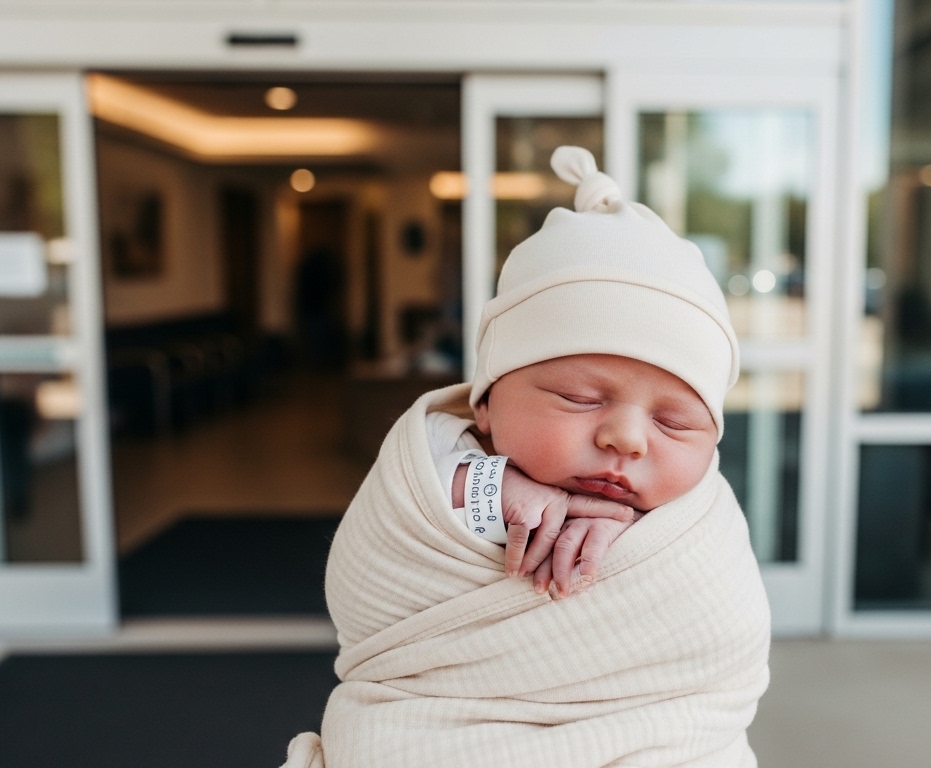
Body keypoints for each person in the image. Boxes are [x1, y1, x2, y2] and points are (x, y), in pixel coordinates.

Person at [283, 146, 770, 768]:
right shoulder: (441, 459)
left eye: (674, 422)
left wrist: (625, 537)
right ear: (486, 404)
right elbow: (380, 551)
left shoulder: (696, 523)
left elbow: (720, 635)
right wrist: (493, 489)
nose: (628, 439)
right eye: (580, 398)